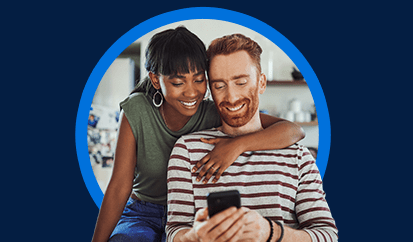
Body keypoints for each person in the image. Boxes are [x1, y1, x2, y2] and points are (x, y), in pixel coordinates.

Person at [91, 27, 305, 242]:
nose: (192, 92)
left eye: (199, 79)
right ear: (156, 80)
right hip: (143, 213)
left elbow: (293, 130)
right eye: (178, 82)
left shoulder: (213, 111)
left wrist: (237, 145)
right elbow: (119, 187)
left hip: (192, 214)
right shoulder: (137, 109)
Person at [166, 34, 338, 242]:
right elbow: (174, 232)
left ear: (261, 83)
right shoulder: (186, 151)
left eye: (241, 82)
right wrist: (195, 237)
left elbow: (327, 235)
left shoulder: (298, 156)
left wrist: (270, 232)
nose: (231, 97)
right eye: (220, 86)